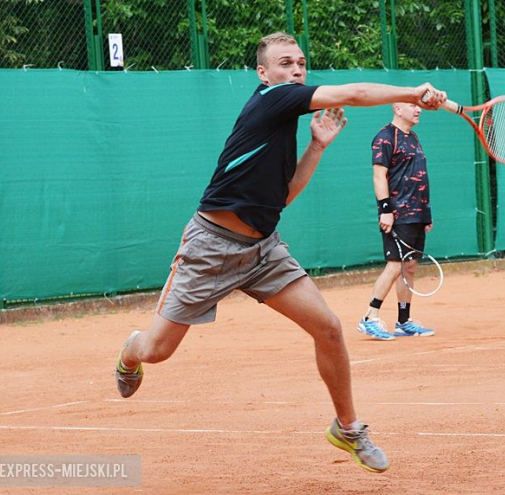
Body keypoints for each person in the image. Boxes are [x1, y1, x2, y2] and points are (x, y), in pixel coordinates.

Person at [113, 32, 446, 474]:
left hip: (263, 249)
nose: (295, 70)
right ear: (264, 73)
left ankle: (347, 428)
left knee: (327, 328)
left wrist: (317, 146)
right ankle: (129, 352)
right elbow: (356, 93)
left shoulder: (282, 124)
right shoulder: (272, 101)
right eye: (285, 63)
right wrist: (413, 91)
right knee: (156, 351)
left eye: (301, 64)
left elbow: (283, 197)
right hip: (210, 248)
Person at [357, 103, 436, 341]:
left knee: (409, 266)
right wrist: (385, 209)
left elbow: (419, 176)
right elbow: (379, 175)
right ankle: (370, 317)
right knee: (394, 265)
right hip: (397, 213)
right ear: (397, 108)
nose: (418, 110)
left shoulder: (413, 137)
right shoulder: (385, 137)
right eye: (413, 105)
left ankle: (403, 321)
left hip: (417, 213)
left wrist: (426, 213)